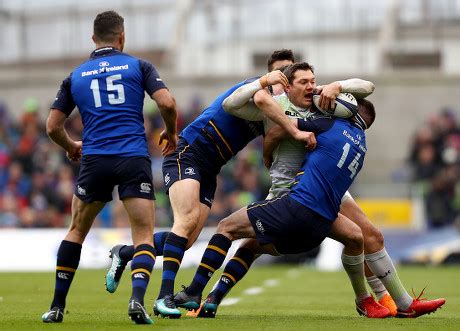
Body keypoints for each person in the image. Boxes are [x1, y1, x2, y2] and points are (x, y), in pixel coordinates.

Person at [178, 62, 445, 318]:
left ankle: (377, 302)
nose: (311, 87)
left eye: (313, 81)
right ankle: (210, 297)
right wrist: (272, 141)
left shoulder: (322, 110)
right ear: (286, 84)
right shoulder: (276, 107)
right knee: (251, 246)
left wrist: (337, 86)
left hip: (314, 192)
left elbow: (367, 87)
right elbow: (234, 105)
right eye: (303, 82)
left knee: (361, 236)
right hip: (288, 194)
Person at [41, 10, 178, 325]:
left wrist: (71, 146)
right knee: (143, 234)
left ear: (93, 39)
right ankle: (137, 301)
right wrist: (171, 133)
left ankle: (56, 307)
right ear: (122, 37)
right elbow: (167, 103)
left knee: (77, 230)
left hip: (95, 159)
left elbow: (52, 127)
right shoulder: (138, 66)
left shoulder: (76, 76)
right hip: (132, 157)